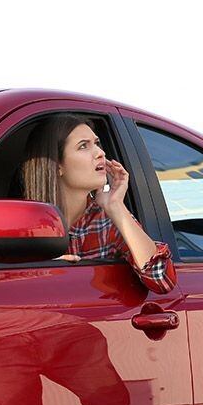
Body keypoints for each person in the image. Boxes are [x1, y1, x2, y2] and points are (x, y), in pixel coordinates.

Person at [20, 114, 176, 294]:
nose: (100, 153)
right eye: (83, 146)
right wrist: (41, 270)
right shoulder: (21, 226)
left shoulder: (108, 220)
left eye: (97, 143)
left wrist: (116, 205)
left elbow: (162, 280)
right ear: (56, 166)